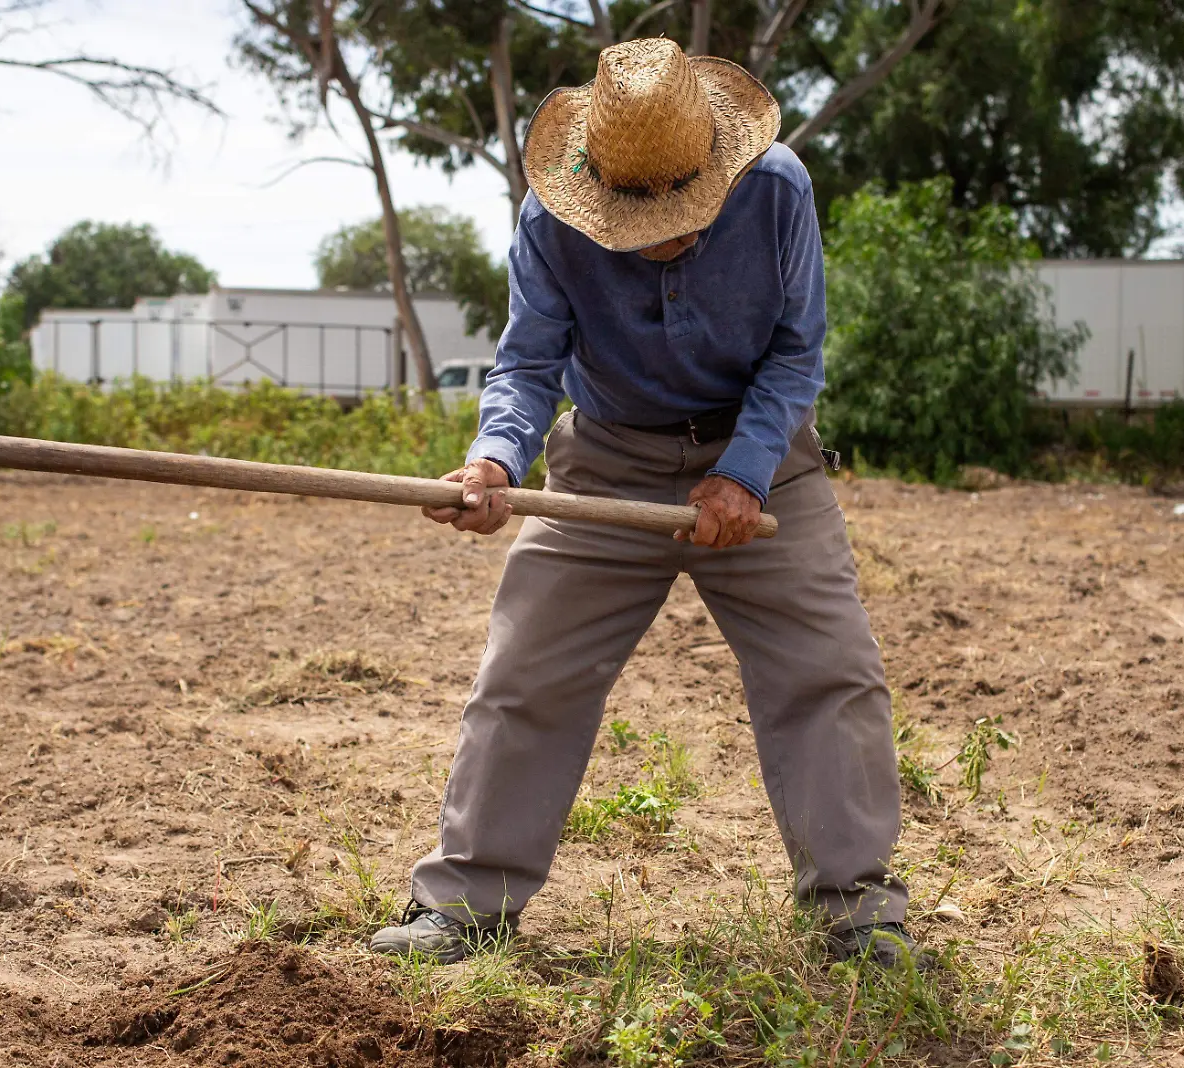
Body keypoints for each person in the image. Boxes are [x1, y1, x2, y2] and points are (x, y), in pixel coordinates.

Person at [368, 37, 919, 970]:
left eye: (685, 211)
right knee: (526, 670)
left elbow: (796, 354)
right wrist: (495, 462)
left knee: (829, 671)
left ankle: (857, 910)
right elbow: (529, 361)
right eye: (641, 217)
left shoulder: (779, 188)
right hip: (609, 458)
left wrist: (742, 472)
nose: (666, 233)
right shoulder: (550, 219)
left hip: (762, 456)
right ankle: (467, 904)